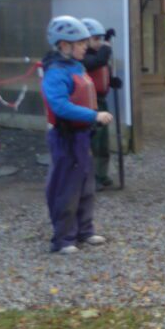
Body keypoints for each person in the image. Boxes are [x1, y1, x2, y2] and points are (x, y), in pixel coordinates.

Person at [40, 16, 113, 254]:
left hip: (81, 136)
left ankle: (84, 230)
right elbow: (60, 105)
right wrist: (93, 115)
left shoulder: (75, 67)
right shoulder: (56, 73)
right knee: (66, 188)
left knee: (85, 185)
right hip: (66, 137)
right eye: (80, 43)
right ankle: (63, 239)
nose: (86, 47)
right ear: (64, 45)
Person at [80, 17, 122, 190]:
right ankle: (92, 177)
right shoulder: (83, 58)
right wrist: (107, 45)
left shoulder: (98, 55)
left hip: (102, 102)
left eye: (100, 39)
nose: (99, 43)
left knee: (103, 141)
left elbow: (102, 69)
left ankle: (101, 174)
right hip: (90, 104)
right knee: (94, 141)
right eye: (96, 39)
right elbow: (97, 62)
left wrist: (111, 81)